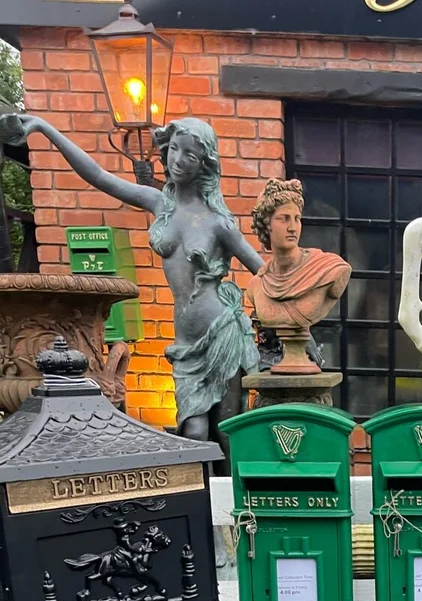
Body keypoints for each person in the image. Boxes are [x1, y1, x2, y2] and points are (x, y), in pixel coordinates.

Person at [0, 112, 262, 469]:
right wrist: (45, 129)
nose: (178, 160)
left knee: (227, 431)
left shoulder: (219, 222)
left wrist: (296, 325)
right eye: (175, 149)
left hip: (223, 334)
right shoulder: (159, 204)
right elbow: (98, 176)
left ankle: (239, 503)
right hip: (187, 344)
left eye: (190, 155)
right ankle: (202, 503)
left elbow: (262, 271)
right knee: (194, 431)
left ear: (205, 164)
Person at [246, 178, 350, 373]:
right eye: (284, 218)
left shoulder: (329, 269)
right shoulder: (257, 286)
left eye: (297, 219)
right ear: (267, 224)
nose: (293, 227)